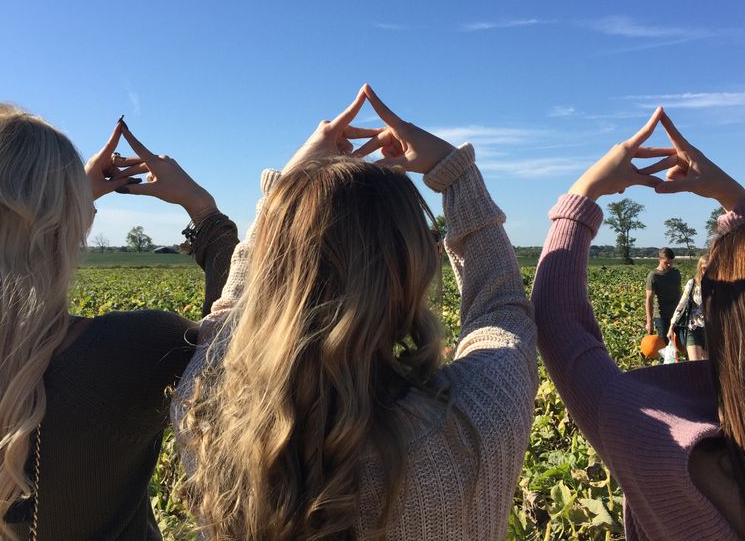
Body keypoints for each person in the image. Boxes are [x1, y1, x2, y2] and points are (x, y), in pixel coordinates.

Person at [173, 85, 538, 541]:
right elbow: (501, 312)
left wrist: (287, 193)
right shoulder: (475, 420)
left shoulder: (211, 415)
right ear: (409, 271)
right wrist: (456, 174)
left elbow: (233, 314)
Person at [0, 104, 237, 541]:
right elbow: (233, 349)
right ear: (68, 224)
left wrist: (70, 197)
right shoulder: (131, 350)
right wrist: (204, 211)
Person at [533, 108, 745, 540]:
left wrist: (584, 193)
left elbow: (559, 324)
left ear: (731, 323)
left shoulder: (663, 446)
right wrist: (738, 201)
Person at [668, 255, 708, 360]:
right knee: (695, 364)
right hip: (693, 327)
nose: (707, 271)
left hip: (710, 329)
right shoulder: (693, 284)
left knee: (708, 366)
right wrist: (672, 325)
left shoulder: (718, 285)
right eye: (704, 268)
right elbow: (681, 305)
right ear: (700, 268)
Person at [644, 247, 681, 342]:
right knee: (664, 345)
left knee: (679, 344)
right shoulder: (654, 276)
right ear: (659, 260)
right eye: (666, 262)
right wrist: (649, 322)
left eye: (671, 262)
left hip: (677, 315)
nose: (669, 265)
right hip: (661, 316)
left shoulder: (676, 273)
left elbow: (680, 293)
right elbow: (649, 299)